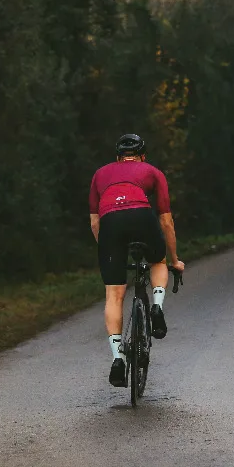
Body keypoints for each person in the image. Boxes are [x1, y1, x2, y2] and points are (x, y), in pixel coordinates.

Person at [88, 133, 186, 387]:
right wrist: (174, 260)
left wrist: (109, 251)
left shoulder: (100, 174)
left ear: (117, 157)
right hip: (142, 217)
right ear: (143, 156)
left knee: (114, 294)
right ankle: (157, 306)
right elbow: (165, 221)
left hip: (110, 224)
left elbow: (95, 221)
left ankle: (118, 358)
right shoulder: (152, 171)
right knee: (158, 261)